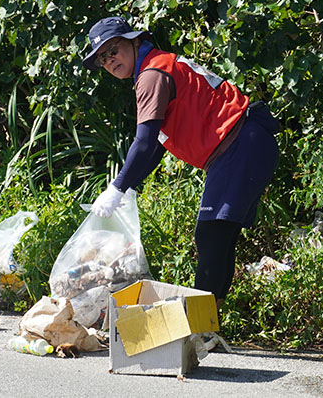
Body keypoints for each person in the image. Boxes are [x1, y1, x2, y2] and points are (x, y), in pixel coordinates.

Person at [82, 16, 280, 310]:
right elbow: (158, 146)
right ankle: (210, 322)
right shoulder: (157, 66)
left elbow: (145, 141)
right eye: (102, 58)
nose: (110, 61)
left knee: (211, 235)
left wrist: (117, 187)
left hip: (238, 144)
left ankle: (201, 326)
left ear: (135, 41)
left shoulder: (152, 74)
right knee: (218, 237)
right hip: (244, 144)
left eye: (114, 50)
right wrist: (130, 185)